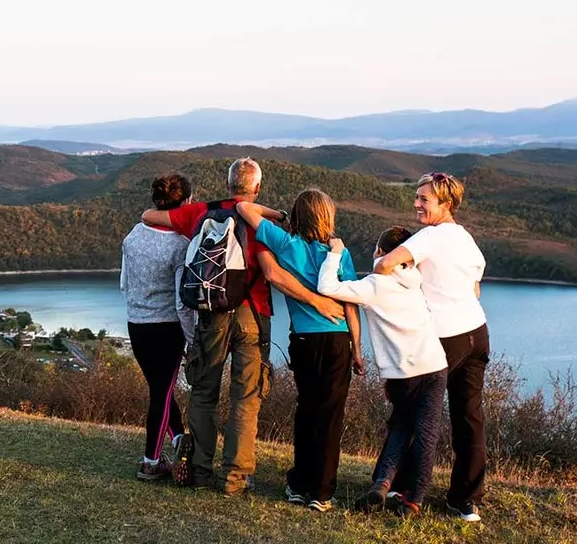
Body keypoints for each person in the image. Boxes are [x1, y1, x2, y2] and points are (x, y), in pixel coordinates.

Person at [141, 158, 346, 496]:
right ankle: (235, 476)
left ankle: (200, 468)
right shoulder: (258, 222)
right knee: (246, 397)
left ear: (227, 184)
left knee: (204, 392)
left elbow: (149, 217)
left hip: (212, 313)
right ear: (257, 188)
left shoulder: (204, 213)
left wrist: (203, 210)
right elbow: (271, 273)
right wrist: (318, 301)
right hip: (253, 313)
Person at [233, 190, 362, 512]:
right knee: (330, 415)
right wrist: (358, 348)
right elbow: (351, 306)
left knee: (306, 410)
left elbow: (243, 207)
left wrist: (278, 215)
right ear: (327, 217)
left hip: (303, 340)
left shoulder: (286, 244)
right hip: (336, 341)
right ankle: (321, 492)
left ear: (298, 216)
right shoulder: (338, 254)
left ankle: (298, 484)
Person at [373, 171, 489, 522]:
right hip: (476, 334)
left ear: (446, 204)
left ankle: (399, 487)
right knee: (469, 418)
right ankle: (465, 500)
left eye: (424, 199)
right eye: (417, 196)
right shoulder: (466, 238)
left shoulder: (431, 237)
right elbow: (475, 287)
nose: (417, 203)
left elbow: (385, 264)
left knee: (411, 412)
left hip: (444, 339)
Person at [317, 226, 448, 516]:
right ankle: (413, 500)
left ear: (380, 253)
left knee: (402, 427)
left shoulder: (374, 286)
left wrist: (335, 254)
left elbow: (327, 287)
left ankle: (383, 483)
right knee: (427, 434)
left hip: (403, 374)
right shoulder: (417, 281)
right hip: (436, 366)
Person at [119, 172, 195, 481]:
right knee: (161, 393)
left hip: (136, 324)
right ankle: (150, 461)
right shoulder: (181, 244)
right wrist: (191, 338)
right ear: (185, 203)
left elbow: (124, 282)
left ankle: (178, 440)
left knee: (160, 389)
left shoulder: (133, 235)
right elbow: (182, 302)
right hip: (167, 327)